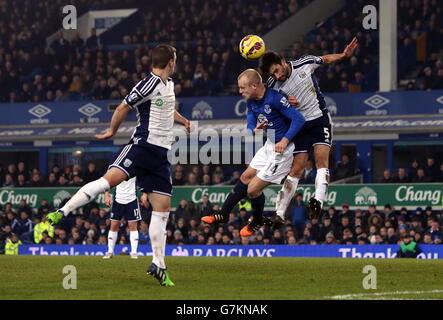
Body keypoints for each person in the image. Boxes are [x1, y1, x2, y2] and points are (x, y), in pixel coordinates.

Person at [47, 44, 190, 287]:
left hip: (160, 157)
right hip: (141, 147)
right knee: (107, 182)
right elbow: (123, 106)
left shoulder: (169, 84)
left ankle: (159, 265)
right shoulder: (149, 83)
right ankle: (62, 211)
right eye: (175, 59)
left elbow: (167, 110)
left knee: (162, 210)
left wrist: (183, 120)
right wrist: (112, 131)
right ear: (170, 62)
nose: (175, 62)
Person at [260, 37, 358, 221]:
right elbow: (270, 107)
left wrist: (344, 56)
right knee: (297, 169)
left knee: (322, 161)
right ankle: (279, 213)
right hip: (299, 125)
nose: (277, 76)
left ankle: (317, 201)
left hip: (320, 119)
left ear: (282, 61)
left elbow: (325, 59)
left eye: (277, 71)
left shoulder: (304, 63)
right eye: (273, 74)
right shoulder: (273, 85)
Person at [201, 69, 305, 237]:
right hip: (269, 145)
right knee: (245, 177)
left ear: (255, 85)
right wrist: (252, 129)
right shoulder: (251, 100)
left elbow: (299, 119)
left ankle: (257, 221)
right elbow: (251, 117)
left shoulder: (276, 99)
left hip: (283, 150)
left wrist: (284, 140)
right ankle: (223, 214)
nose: (240, 91)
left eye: (243, 88)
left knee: (252, 190)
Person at [102, 177, 141, 259]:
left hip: (132, 200)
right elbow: (108, 181)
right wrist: (106, 195)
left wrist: (144, 194)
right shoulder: (116, 166)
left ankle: (134, 252)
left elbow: (144, 178)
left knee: (133, 226)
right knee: (113, 225)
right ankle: (110, 252)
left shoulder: (136, 165)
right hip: (118, 200)